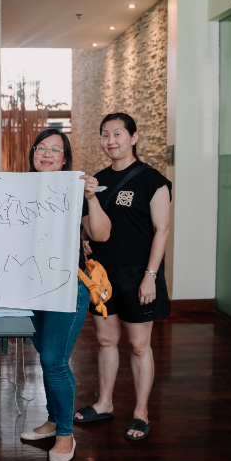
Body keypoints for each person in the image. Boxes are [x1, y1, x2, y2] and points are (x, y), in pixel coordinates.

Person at [73, 113, 171, 441]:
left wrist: (150, 276)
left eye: (118, 134)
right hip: (102, 274)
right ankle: (105, 403)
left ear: (133, 137)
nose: (111, 141)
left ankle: (141, 412)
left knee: (139, 345)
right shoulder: (97, 181)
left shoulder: (152, 181)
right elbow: (90, 224)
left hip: (138, 274)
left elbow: (161, 231)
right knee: (105, 341)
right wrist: (84, 236)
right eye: (105, 134)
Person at [19, 127, 111, 461]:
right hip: (31, 287)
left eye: (54, 149)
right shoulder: (19, 189)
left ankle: (65, 434)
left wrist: (91, 197)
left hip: (67, 287)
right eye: (40, 147)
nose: (46, 154)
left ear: (65, 159)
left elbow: (101, 234)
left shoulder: (76, 190)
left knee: (54, 360)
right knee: (46, 354)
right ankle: (53, 420)